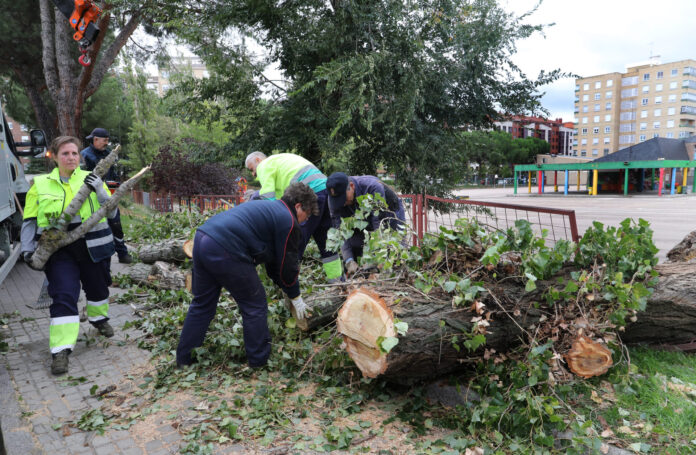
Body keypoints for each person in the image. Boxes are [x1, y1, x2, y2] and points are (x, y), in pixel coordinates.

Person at [176, 182, 317, 369]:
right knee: (255, 304)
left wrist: (286, 287)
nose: (303, 222)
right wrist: (296, 295)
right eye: (305, 217)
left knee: (202, 304)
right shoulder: (288, 220)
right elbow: (288, 265)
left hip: (202, 238)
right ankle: (259, 362)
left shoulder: (270, 208)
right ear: (298, 206)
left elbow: (275, 265)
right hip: (225, 247)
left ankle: (184, 360)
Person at [21, 136, 117, 375]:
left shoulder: (91, 178)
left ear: (80, 156)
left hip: (92, 243)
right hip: (58, 248)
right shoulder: (40, 184)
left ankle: (98, 319)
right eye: (65, 154)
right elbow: (30, 220)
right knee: (63, 293)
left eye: (74, 153)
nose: (71, 157)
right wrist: (26, 249)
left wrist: (99, 189)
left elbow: (112, 211)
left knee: (97, 287)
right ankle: (61, 349)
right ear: (54, 157)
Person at [245, 152, 343, 282]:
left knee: (294, 240)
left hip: (309, 193)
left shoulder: (264, 165)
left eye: (252, 169)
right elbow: (281, 200)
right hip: (324, 191)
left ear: (258, 159)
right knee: (326, 241)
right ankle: (337, 282)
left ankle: (288, 283)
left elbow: (268, 198)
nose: (253, 174)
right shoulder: (280, 162)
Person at [325, 172, 406, 276]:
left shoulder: (372, 187)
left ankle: (396, 277)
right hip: (360, 217)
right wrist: (349, 260)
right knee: (356, 249)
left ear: (351, 186)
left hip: (390, 213)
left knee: (394, 251)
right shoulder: (333, 199)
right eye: (338, 201)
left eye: (343, 199)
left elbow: (379, 225)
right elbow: (340, 231)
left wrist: (374, 257)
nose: (342, 203)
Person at [80, 127, 133, 263]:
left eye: (108, 141)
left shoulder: (109, 154)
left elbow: (113, 173)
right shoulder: (84, 155)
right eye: (105, 141)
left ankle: (122, 254)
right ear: (95, 139)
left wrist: (117, 183)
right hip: (92, 199)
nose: (106, 143)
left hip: (109, 197)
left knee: (116, 225)